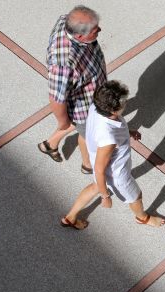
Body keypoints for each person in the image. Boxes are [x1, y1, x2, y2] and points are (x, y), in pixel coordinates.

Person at [60, 80, 165, 229]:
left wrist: (127, 132)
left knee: (95, 187)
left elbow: (108, 131)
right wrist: (106, 196)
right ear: (114, 110)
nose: (126, 103)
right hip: (117, 173)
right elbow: (99, 169)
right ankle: (143, 218)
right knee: (135, 196)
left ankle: (70, 217)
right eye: (124, 102)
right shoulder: (108, 138)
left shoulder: (96, 107)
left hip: (97, 156)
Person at [38, 5, 106, 174]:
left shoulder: (66, 20)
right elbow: (56, 97)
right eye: (95, 30)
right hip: (83, 104)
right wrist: (63, 123)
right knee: (87, 134)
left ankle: (49, 145)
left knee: (78, 126)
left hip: (91, 90)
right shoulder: (64, 64)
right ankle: (87, 165)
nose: (100, 30)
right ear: (80, 36)